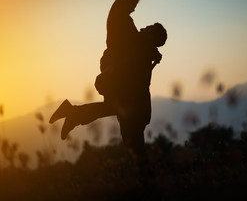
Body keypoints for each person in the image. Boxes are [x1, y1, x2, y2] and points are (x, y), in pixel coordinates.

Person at [49, 23, 167, 164]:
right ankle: (73, 113)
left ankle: (73, 113)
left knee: (131, 138)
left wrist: (153, 53)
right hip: (129, 95)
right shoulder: (137, 43)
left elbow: (140, 49)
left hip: (131, 96)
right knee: (133, 143)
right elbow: (131, 55)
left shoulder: (141, 44)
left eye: (152, 29)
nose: (147, 27)